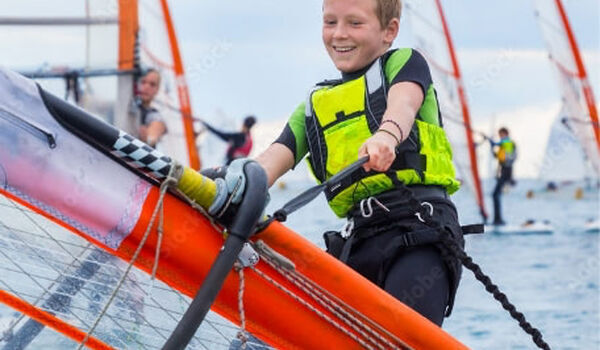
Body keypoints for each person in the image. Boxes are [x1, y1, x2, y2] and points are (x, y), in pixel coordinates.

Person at [220, 0, 464, 327]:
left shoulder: (405, 63)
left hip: (418, 231)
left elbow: (403, 106)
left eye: (354, 23)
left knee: (402, 335)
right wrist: (231, 184)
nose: (339, 34)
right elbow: (270, 160)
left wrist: (386, 137)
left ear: (389, 30)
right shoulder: (314, 104)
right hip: (358, 240)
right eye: (330, 22)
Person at [128, 68, 167, 148]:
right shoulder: (124, 106)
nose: (146, 87)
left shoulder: (154, 115)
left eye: (152, 84)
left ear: (157, 89)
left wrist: (148, 139)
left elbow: (156, 128)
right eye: (143, 82)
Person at [489, 127, 516, 225]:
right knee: (495, 195)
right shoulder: (503, 145)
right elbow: (496, 157)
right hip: (501, 172)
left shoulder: (509, 143)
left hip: (507, 173)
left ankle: (498, 220)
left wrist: (494, 143)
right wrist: (492, 146)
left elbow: (503, 144)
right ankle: (497, 220)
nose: (500, 136)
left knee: (495, 195)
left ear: (506, 134)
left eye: (501, 134)